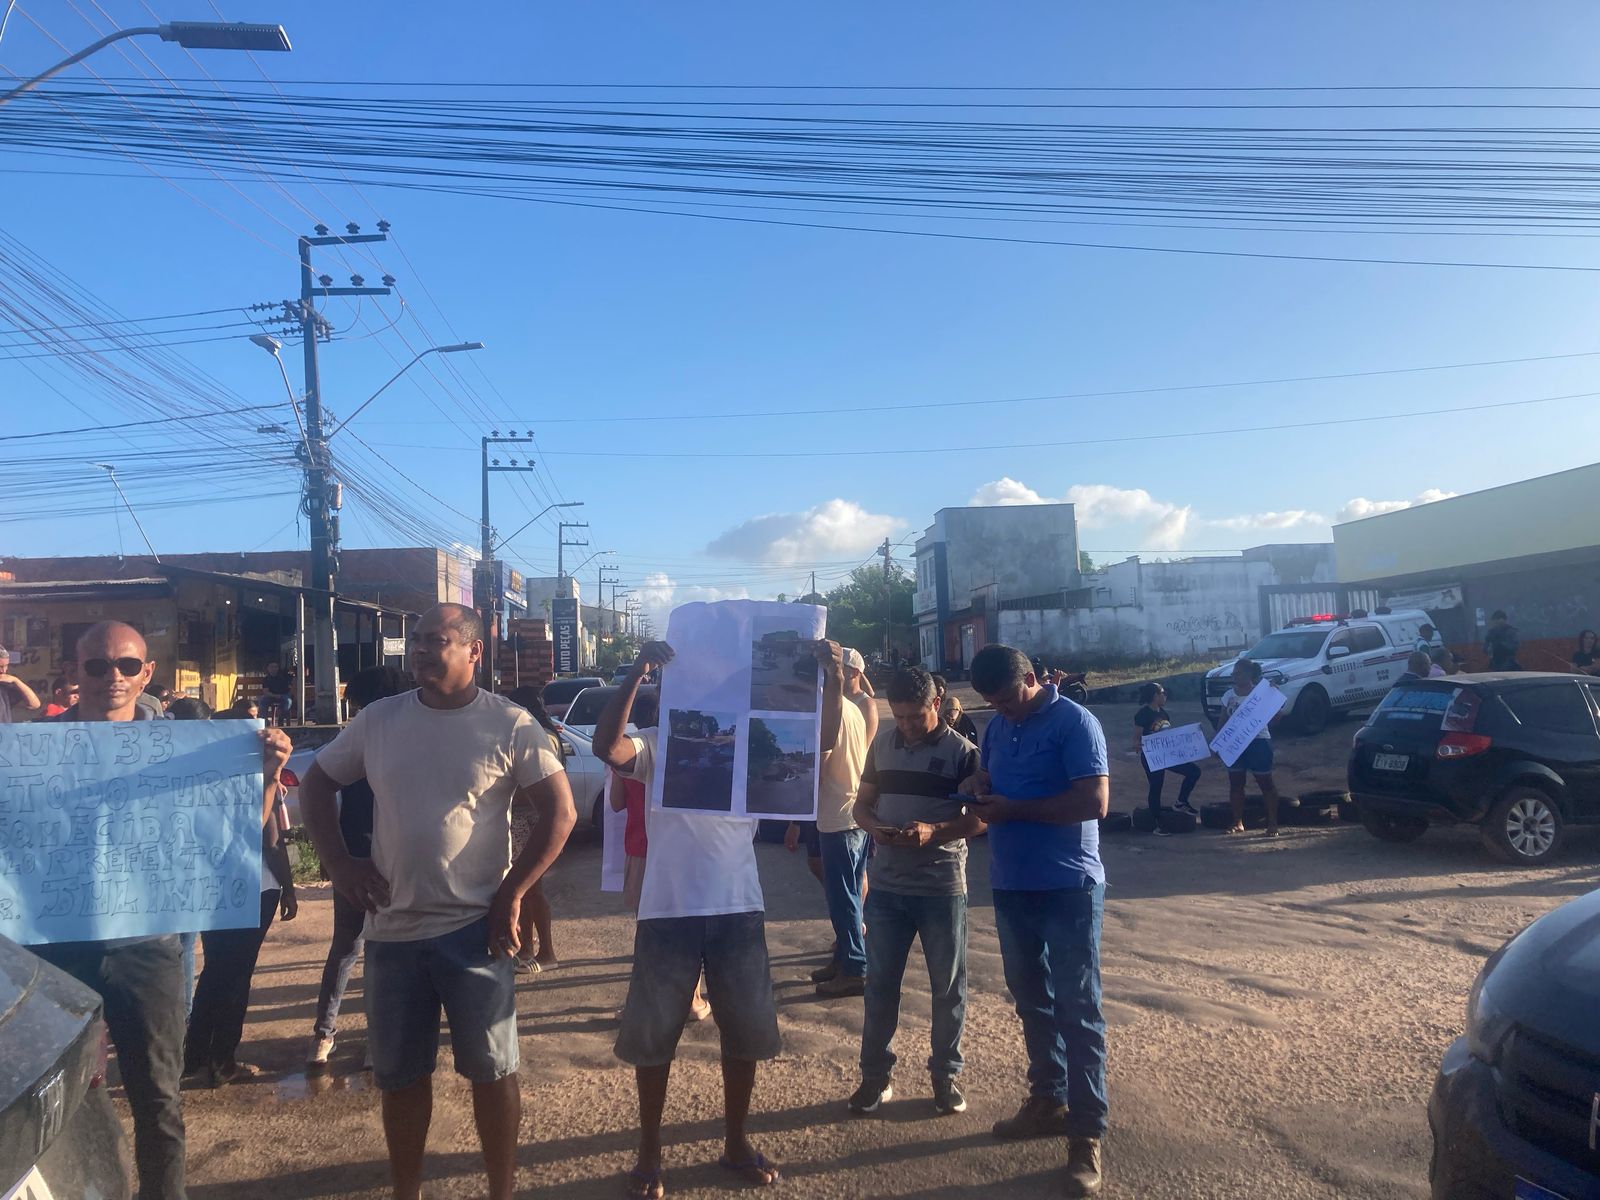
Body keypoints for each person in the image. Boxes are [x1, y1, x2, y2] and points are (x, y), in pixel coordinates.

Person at [299, 604, 576, 1200]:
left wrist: (512, 893)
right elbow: (318, 783)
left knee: (493, 1072)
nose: (421, 650)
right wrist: (339, 864)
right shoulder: (378, 721)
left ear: (474, 652)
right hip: (394, 933)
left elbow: (561, 813)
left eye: (437, 640)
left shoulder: (508, 724)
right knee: (400, 1079)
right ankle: (408, 1191)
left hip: (476, 930)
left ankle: (500, 1190)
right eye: (418, 641)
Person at [36, 621, 292, 1199]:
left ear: (148, 673)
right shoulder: (32, 748)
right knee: (55, 1103)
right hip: (52, 954)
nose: (114, 677)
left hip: (147, 949)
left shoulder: (183, 751)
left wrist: (269, 776)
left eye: (127, 666)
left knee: (158, 1100)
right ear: (75, 671)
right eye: (98, 666)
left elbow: (234, 842)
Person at [594, 637, 844, 1198]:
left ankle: (735, 1143)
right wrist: (636, 672)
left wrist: (827, 683)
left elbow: (821, 744)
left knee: (744, 1033)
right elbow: (607, 747)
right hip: (669, 910)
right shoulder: (657, 746)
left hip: (738, 908)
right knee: (654, 1038)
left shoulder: (751, 742)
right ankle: (649, 1155)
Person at [959, 644, 1109, 1198]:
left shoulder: (1077, 722)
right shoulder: (998, 727)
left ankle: (1086, 1135)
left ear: (1030, 678)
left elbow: (1094, 801)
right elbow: (991, 775)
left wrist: (1013, 810)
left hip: (1068, 887)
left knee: (1079, 1009)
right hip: (1011, 884)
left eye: (1007, 698)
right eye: (992, 703)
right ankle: (1048, 1099)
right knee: (1032, 1001)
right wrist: (980, 787)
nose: (1002, 710)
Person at [848, 665, 983, 1118]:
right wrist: (875, 829)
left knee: (948, 988)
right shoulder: (881, 745)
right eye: (899, 717)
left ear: (936, 703)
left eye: (914, 717)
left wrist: (936, 831)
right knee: (880, 987)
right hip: (886, 888)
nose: (905, 726)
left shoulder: (964, 753)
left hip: (942, 887)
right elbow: (862, 807)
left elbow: (979, 820)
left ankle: (945, 1077)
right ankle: (875, 1077)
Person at [306, 664, 412, 1067]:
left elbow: (325, 797)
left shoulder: (349, 740)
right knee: (387, 954)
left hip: (353, 856)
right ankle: (376, 1042)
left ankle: (322, 1036)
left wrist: (334, 860)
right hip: (394, 859)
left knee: (345, 949)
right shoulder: (401, 738)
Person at [185, 761, 298, 1086]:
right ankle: (223, 1061)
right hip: (255, 887)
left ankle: (193, 1056)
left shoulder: (199, 782)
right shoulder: (260, 781)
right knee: (237, 976)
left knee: (214, 972)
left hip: (210, 886)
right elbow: (273, 842)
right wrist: (289, 889)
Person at [813, 644, 872, 999]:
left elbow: (819, 764)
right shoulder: (851, 708)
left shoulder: (829, 712)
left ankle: (853, 967)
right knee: (848, 895)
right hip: (853, 813)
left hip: (838, 816)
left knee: (844, 897)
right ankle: (845, 959)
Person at [504, 684, 569, 973]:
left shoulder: (540, 737)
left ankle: (547, 951)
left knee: (532, 888)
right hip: (527, 818)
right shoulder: (545, 734)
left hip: (530, 818)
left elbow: (538, 785)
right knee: (526, 886)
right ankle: (527, 947)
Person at [1218, 659, 1282, 838]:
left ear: (1248, 674)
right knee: (1236, 783)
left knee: (1265, 782)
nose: (1234, 676)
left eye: (1237, 673)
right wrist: (1219, 743)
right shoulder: (1229, 695)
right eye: (1233, 674)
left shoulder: (1262, 693)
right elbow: (1222, 719)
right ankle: (1238, 822)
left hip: (1258, 742)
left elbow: (1277, 719)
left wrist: (1273, 698)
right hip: (1234, 744)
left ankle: (1272, 823)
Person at [1133, 682, 1200, 831]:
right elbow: (1137, 737)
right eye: (1163, 693)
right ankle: (1157, 824)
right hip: (1152, 757)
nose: (1165, 696)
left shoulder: (1163, 713)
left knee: (1194, 771)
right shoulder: (1143, 714)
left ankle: (1181, 801)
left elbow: (1169, 735)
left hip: (1167, 754)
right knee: (1156, 786)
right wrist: (1138, 744)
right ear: (1155, 696)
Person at [933, 673, 980, 743]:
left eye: (938, 687)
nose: (936, 691)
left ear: (944, 688)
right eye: (934, 688)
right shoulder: (931, 706)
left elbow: (950, 720)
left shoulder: (951, 701)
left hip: (952, 740)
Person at [0, 645, 41, 722]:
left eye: (6, 666)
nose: (3, 671)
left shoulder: (4, 687)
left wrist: (16, 681)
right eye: (0, 666)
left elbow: (35, 705)